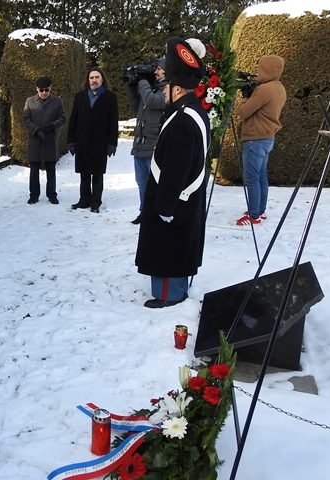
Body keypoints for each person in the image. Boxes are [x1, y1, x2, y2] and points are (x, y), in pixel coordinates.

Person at [135, 38, 211, 308]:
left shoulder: (182, 120)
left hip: (175, 202)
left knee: (169, 247)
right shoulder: (191, 111)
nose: (164, 90)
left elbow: (175, 171)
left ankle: (170, 294)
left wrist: (165, 207)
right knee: (175, 247)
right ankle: (172, 289)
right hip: (183, 200)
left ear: (177, 88)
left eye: (167, 85)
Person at [235, 55, 286, 226]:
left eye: (260, 69)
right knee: (261, 175)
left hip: (255, 139)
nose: (258, 73)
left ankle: (254, 215)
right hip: (267, 138)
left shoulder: (264, 90)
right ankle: (260, 210)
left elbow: (243, 112)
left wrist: (245, 97)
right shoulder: (279, 87)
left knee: (252, 178)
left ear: (267, 69)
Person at [67, 67, 119, 213]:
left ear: (102, 79)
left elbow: (113, 122)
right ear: (88, 80)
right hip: (82, 141)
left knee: (97, 174)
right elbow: (73, 119)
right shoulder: (80, 96)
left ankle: (95, 202)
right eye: (91, 78)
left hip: (100, 142)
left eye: (97, 77)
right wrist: (71, 140)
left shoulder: (110, 97)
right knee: (84, 173)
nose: (94, 80)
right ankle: (84, 200)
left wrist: (112, 143)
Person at [127, 57, 168, 224]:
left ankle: (154, 215)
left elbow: (152, 102)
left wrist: (142, 80)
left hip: (154, 146)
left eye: (159, 69)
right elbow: (135, 104)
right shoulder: (151, 88)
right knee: (142, 183)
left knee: (154, 184)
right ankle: (144, 212)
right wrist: (131, 83)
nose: (156, 72)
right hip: (140, 145)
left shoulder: (167, 91)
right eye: (156, 69)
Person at [22, 76, 66, 204]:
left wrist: (51, 126)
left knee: (51, 169)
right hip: (35, 139)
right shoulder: (29, 101)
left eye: (46, 90)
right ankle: (33, 195)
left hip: (50, 138)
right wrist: (36, 130)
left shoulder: (57, 101)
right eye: (41, 90)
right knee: (34, 169)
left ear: (50, 88)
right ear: (37, 89)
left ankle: (52, 195)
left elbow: (62, 118)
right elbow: (26, 119)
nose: (44, 93)